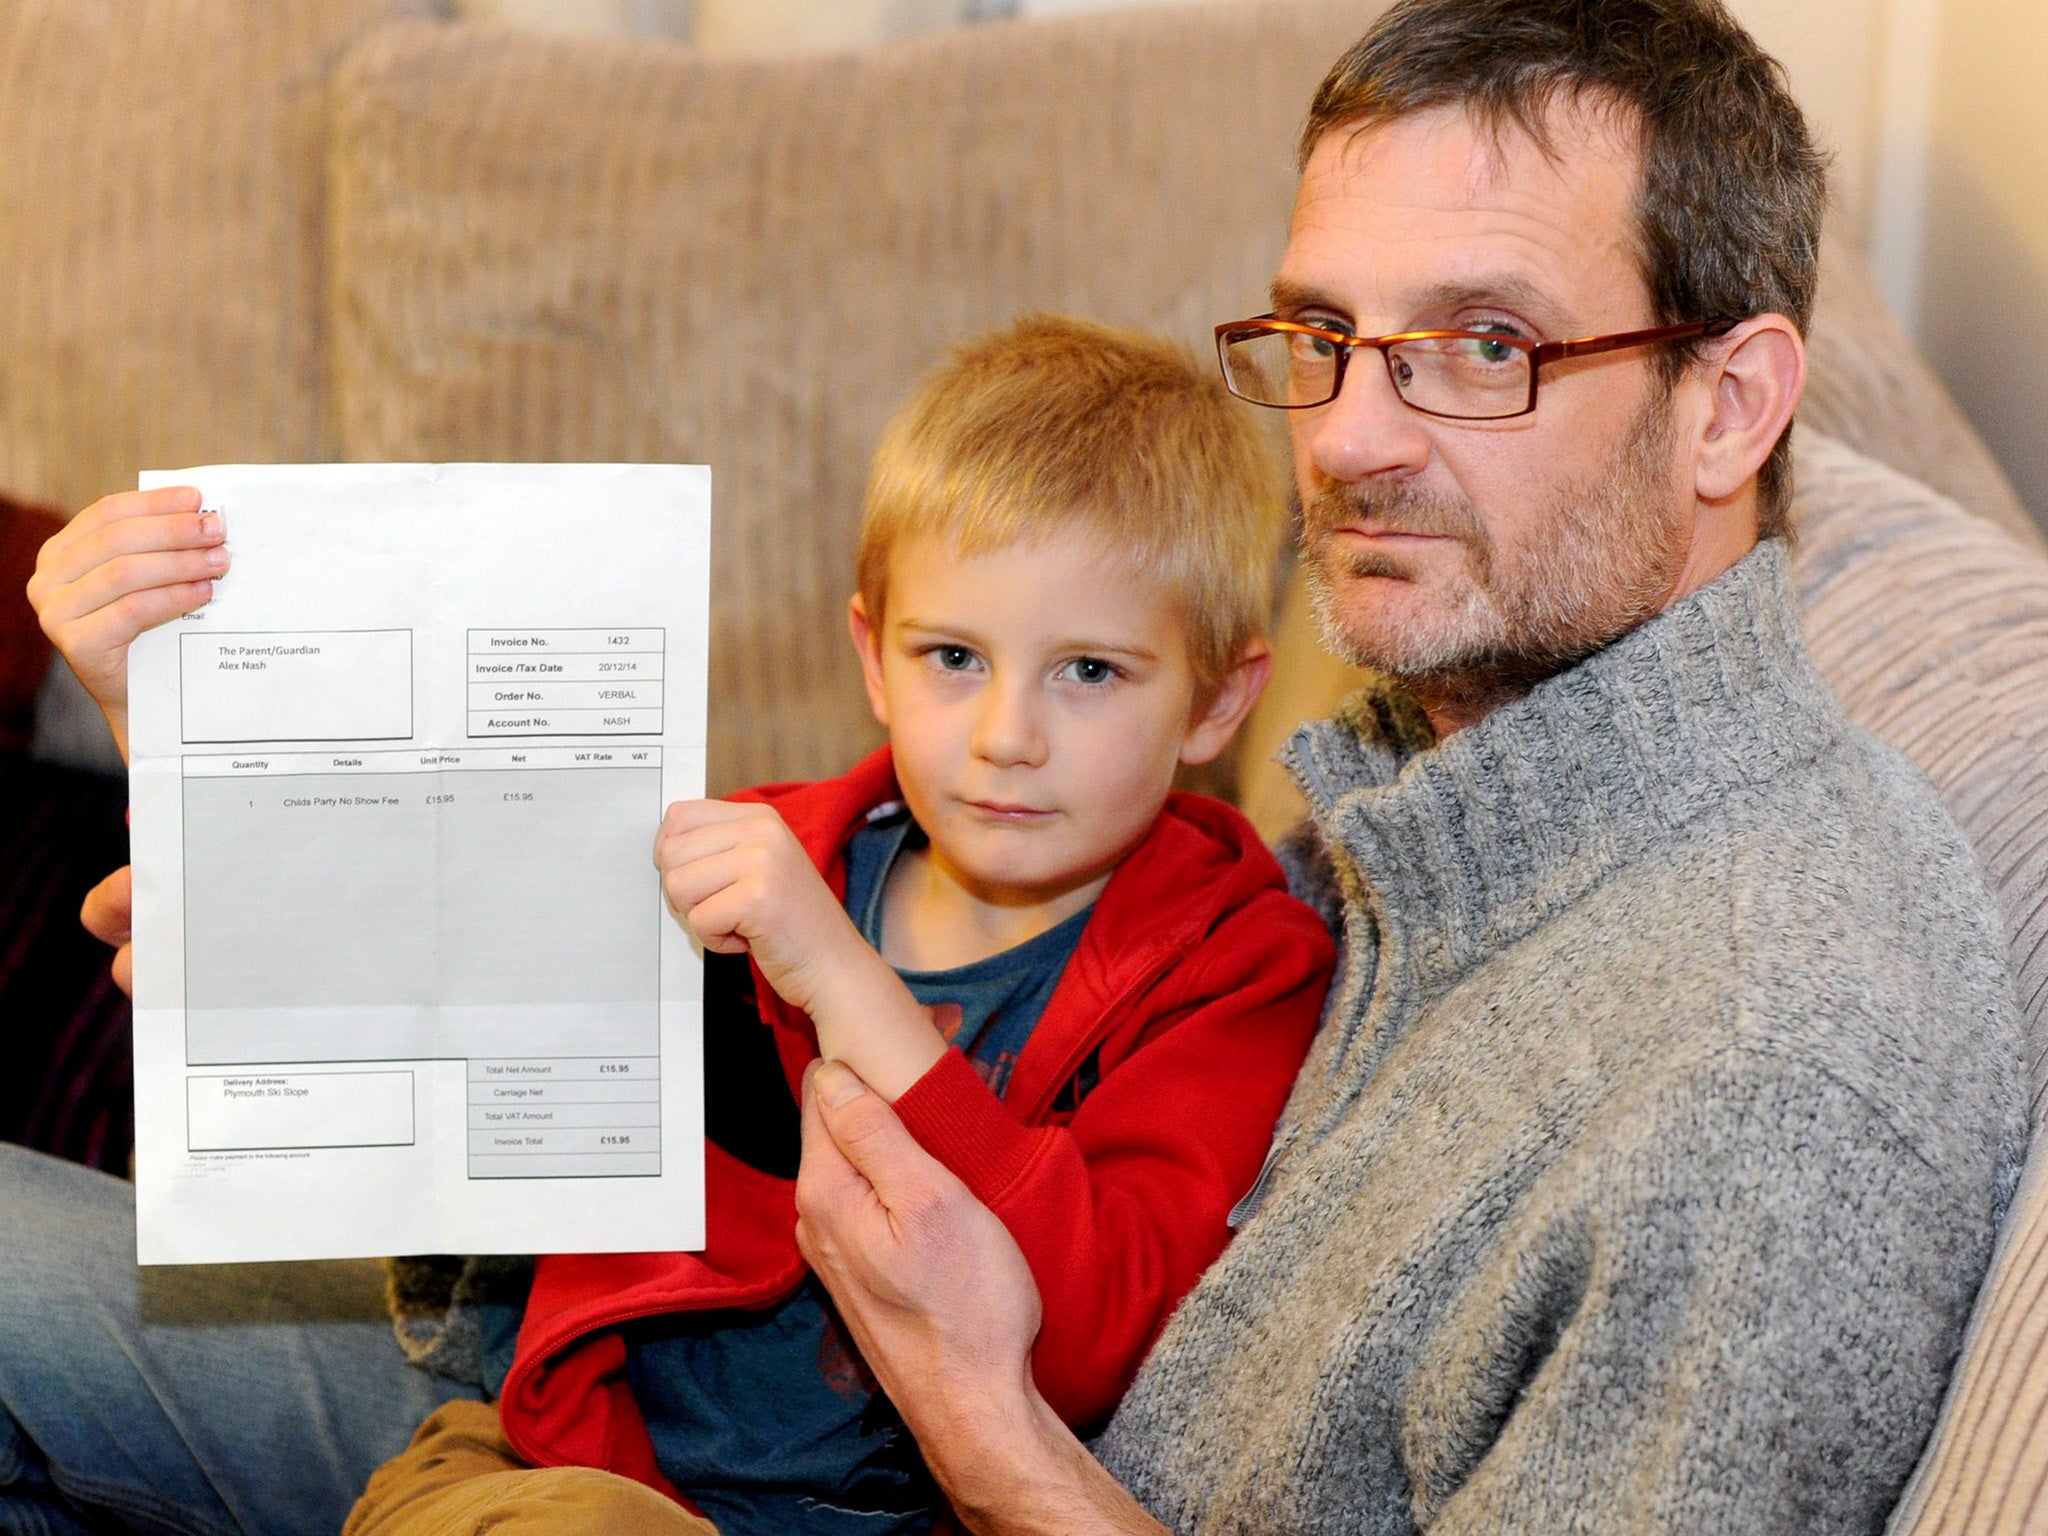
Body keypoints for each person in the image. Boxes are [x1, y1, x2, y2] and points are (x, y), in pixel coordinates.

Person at [779, 2, 2031, 1533]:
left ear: (1728, 407)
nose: (1348, 438)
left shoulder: (1756, 1084)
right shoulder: (1431, 813)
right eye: (1326, 337)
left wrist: (986, 1428)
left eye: (1481, 344)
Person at [12, 316, 1332, 1536]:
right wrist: (180, 753)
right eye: (954, 659)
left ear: (1218, 704)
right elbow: (442, 985)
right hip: (539, 1430)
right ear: (873, 657)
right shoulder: (762, 847)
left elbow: (1089, 1337)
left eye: (1089, 671)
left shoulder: (1235, 967)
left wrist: (842, 982)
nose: (1008, 736)